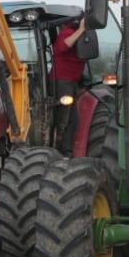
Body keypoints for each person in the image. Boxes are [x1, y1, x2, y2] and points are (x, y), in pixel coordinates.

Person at [50, 15, 86, 154]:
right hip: (62, 80)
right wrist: (81, 29)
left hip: (71, 81)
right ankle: (59, 151)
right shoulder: (68, 32)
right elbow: (63, 46)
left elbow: (92, 11)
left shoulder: (77, 33)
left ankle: (66, 150)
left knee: (73, 120)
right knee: (63, 119)